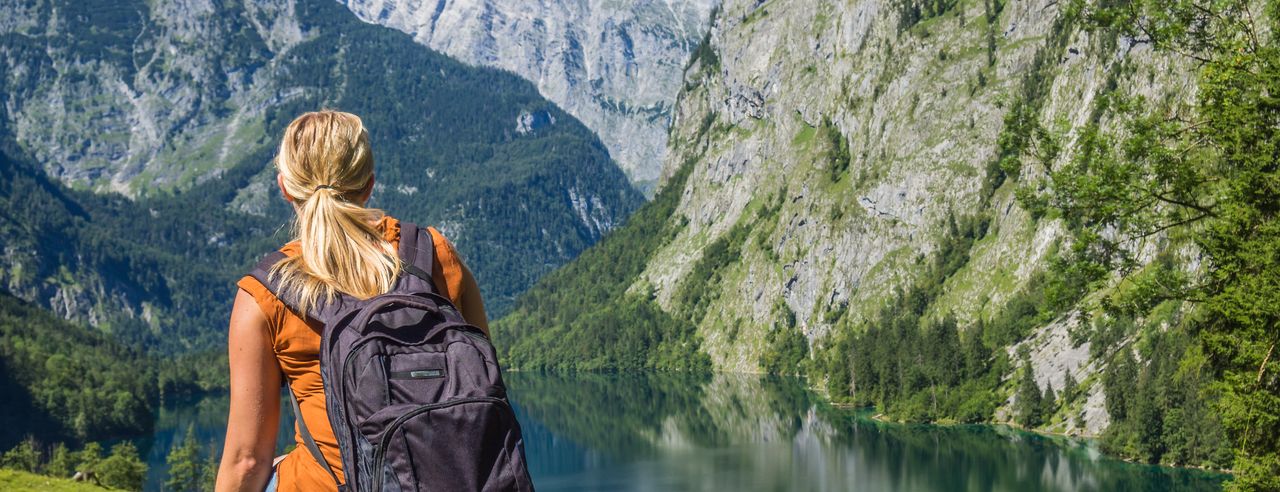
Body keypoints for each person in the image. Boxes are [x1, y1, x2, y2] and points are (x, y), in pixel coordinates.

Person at [215, 111, 489, 492]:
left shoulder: (264, 294)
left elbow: (247, 461)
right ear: (369, 184)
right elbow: (485, 378)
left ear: (284, 188)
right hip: (444, 479)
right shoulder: (433, 255)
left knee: (276, 472)